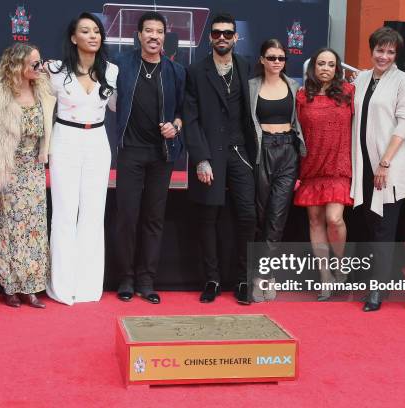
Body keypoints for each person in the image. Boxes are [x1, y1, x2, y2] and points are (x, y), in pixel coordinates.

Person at [112, 11, 185, 304]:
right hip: (130, 152)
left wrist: (175, 126)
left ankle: (146, 280)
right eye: (149, 31)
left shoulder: (175, 71)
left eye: (159, 31)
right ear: (139, 35)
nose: (154, 36)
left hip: (162, 155)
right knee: (127, 218)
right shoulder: (121, 65)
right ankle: (126, 278)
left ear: (164, 36)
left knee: (154, 219)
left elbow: (182, 112)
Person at [45, 12, 118, 305]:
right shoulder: (54, 69)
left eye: (97, 31)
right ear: (74, 38)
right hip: (64, 141)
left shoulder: (112, 71)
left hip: (97, 142)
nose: (93, 36)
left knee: (93, 215)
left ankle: (88, 286)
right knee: (64, 213)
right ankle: (61, 286)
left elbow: (117, 108)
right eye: (85, 31)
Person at [0, 43, 54, 308]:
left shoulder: (42, 88)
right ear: (18, 64)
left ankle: (30, 288)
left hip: (34, 168)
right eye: (34, 63)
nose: (39, 67)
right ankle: (9, 286)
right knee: (9, 228)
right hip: (8, 168)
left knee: (33, 229)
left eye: (40, 62)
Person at [185, 13, 257, 305]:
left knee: (248, 216)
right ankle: (212, 279)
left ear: (236, 37)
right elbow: (190, 119)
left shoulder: (245, 65)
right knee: (209, 217)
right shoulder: (195, 71)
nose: (223, 38)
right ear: (210, 37)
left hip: (240, 152)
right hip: (210, 154)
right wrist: (201, 159)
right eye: (217, 34)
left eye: (228, 33)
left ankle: (243, 279)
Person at [350, 27, 405, 311]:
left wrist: (385, 162)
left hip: (389, 166)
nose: (384, 56)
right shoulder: (362, 78)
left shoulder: (403, 81)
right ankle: (386, 277)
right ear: (372, 49)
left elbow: (404, 122)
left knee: (384, 229)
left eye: (390, 52)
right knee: (370, 224)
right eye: (380, 49)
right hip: (363, 165)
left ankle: (377, 289)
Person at [294, 48, 355, 301]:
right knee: (315, 222)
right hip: (311, 167)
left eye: (331, 64)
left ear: (337, 69)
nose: (326, 68)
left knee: (334, 219)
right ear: (313, 67)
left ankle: (340, 266)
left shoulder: (349, 93)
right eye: (321, 63)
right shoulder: (301, 96)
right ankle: (325, 276)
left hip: (338, 166)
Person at [248, 39, 305, 302]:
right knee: (260, 215)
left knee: (277, 216)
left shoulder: (294, 86)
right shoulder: (250, 87)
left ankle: (265, 276)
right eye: (271, 57)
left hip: (288, 152)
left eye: (281, 58)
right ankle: (254, 273)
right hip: (262, 151)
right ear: (261, 59)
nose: (277, 62)